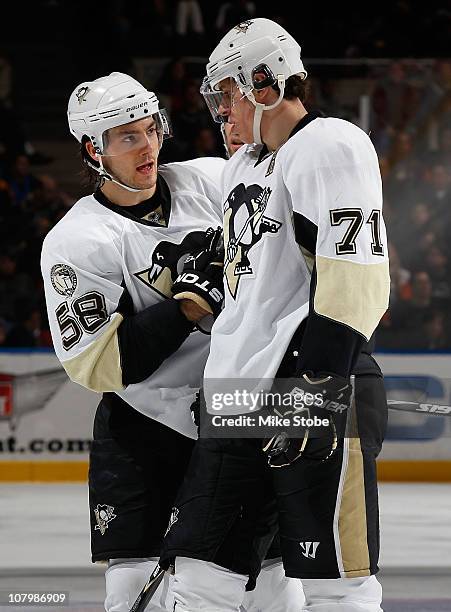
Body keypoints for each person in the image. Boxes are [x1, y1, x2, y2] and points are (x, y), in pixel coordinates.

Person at [41, 71, 300, 612]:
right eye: (127, 137)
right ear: (94, 149)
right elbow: (102, 366)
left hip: (236, 417)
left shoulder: (209, 180)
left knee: (272, 588)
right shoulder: (75, 242)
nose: (147, 146)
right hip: (146, 431)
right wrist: (187, 308)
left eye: (151, 130)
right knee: (134, 596)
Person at [161, 18, 390, 612]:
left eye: (226, 96)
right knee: (200, 576)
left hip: (307, 392)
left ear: (262, 85)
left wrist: (314, 393)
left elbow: (356, 282)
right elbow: (248, 280)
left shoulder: (329, 145)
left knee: (335, 584)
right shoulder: (244, 165)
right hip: (238, 395)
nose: (220, 113)